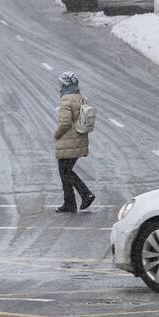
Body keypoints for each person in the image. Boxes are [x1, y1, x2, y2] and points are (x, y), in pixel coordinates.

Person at [53, 71, 95, 213]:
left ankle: (85, 195)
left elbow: (65, 123)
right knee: (66, 171)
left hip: (68, 141)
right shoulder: (80, 97)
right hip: (79, 139)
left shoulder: (66, 99)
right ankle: (70, 203)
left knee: (65, 171)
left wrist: (56, 134)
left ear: (65, 84)